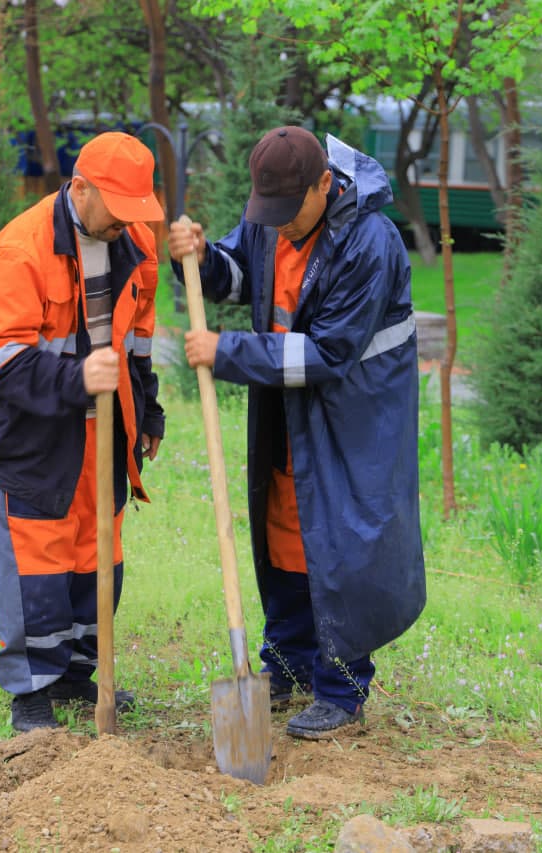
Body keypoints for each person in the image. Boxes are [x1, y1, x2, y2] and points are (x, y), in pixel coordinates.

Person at [168, 126, 425, 739]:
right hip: (287, 410)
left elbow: (331, 352)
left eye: (289, 213)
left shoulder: (370, 242)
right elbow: (238, 275)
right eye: (268, 214)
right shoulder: (274, 213)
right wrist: (203, 259)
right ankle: (286, 665)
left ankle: (340, 689)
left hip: (355, 417)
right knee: (285, 524)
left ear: (324, 184)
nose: (277, 225)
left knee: (341, 541)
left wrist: (225, 351)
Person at [0, 131, 166, 733]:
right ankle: (31, 692)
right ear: (80, 189)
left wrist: (146, 411)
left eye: (136, 212)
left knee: (94, 556)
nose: (126, 224)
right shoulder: (19, 249)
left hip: (103, 432)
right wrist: (78, 379)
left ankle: (77, 673)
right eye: (117, 210)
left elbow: (139, 340)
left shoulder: (136, 244)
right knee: (33, 562)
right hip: (23, 434)